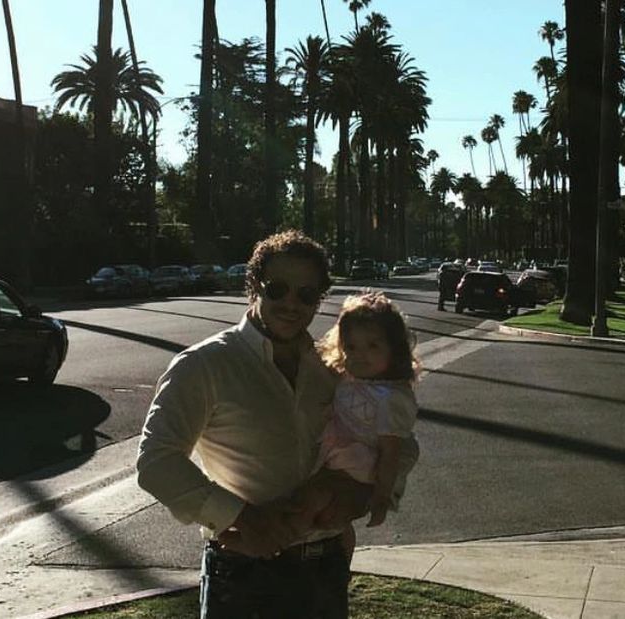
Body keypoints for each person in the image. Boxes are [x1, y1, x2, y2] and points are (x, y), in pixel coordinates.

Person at [136, 230, 417, 618]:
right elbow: (157, 462)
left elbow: (402, 440)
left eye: (306, 294)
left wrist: (367, 493)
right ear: (254, 286)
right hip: (243, 571)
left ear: (319, 299)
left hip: (324, 565)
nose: (291, 303)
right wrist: (243, 519)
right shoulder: (203, 365)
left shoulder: (333, 367)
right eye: (278, 289)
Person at [285, 291, 420, 559]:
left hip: (357, 464)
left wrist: (382, 496)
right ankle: (296, 542)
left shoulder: (391, 398)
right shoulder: (351, 378)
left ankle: (280, 541)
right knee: (318, 510)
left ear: (394, 349)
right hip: (336, 455)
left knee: (313, 500)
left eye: (373, 346)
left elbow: (390, 452)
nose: (360, 355)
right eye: (351, 347)